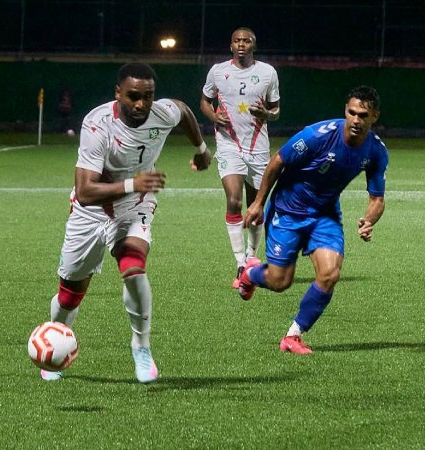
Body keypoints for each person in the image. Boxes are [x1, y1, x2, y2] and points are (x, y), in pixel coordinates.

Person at [38, 62, 211, 383]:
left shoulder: (161, 113)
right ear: (118, 93)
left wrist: (201, 149)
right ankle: (55, 340)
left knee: (133, 266)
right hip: (91, 211)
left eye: (148, 96)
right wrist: (135, 183)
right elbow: (86, 191)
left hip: (135, 205)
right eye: (133, 96)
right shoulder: (97, 124)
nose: (142, 104)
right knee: (69, 294)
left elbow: (185, 111)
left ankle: (141, 345)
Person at [237, 85, 388, 354]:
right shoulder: (318, 136)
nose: (356, 120)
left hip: (325, 215)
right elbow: (277, 161)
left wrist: (369, 219)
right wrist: (259, 203)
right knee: (280, 282)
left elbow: (377, 198)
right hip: (287, 211)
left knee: (330, 274)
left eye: (363, 115)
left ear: (374, 116)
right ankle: (250, 273)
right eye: (351, 113)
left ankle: (293, 336)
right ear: (345, 111)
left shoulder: (375, 151)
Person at [197, 27, 280, 288]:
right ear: (230, 45)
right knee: (234, 200)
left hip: (258, 148)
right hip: (228, 144)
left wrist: (266, 114)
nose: (241, 44)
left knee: (256, 205)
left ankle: (252, 256)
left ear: (254, 45)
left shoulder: (267, 73)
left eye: (246, 40)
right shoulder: (218, 71)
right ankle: (240, 263)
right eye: (237, 40)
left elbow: (276, 110)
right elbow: (204, 101)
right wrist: (213, 116)